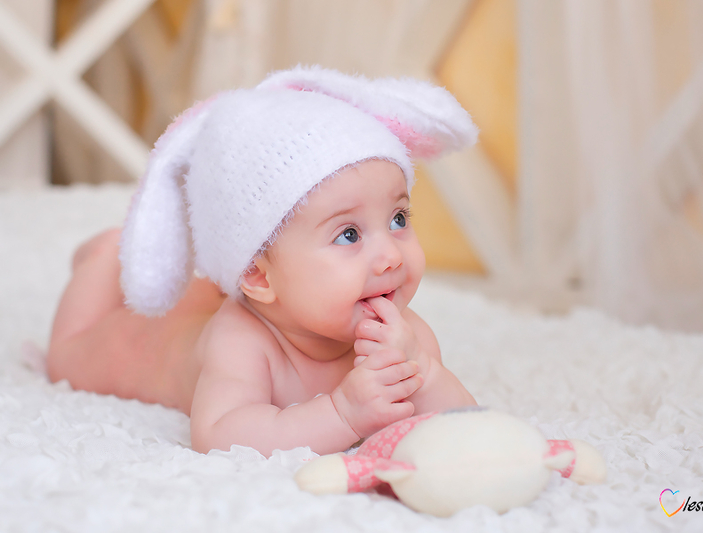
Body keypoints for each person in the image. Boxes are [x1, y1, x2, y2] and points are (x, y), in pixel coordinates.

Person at [47, 66, 478, 456]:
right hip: (138, 342)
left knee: (206, 294)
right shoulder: (241, 341)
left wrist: (424, 372)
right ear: (258, 276)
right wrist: (341, 414)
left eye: (398, 218)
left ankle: (204, 282)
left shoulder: (405, 336)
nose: (390, 257)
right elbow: (218, 433)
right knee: (67, 358)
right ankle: (104, 257)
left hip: (231, 296)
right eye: (348, 234)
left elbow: (465, 425)